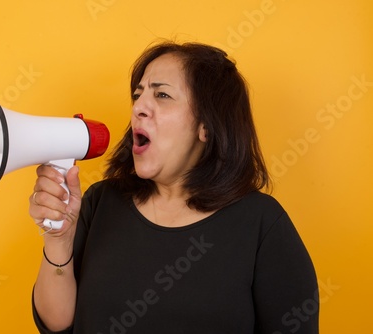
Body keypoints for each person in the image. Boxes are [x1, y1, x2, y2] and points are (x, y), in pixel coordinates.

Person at [28, 41, 319, 334]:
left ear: (206, 125)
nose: (138, 107)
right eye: (138, 95)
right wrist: (58, 241)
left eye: (162, 94)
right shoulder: (101, 201)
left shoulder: (261, 224)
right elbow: (57, 325)